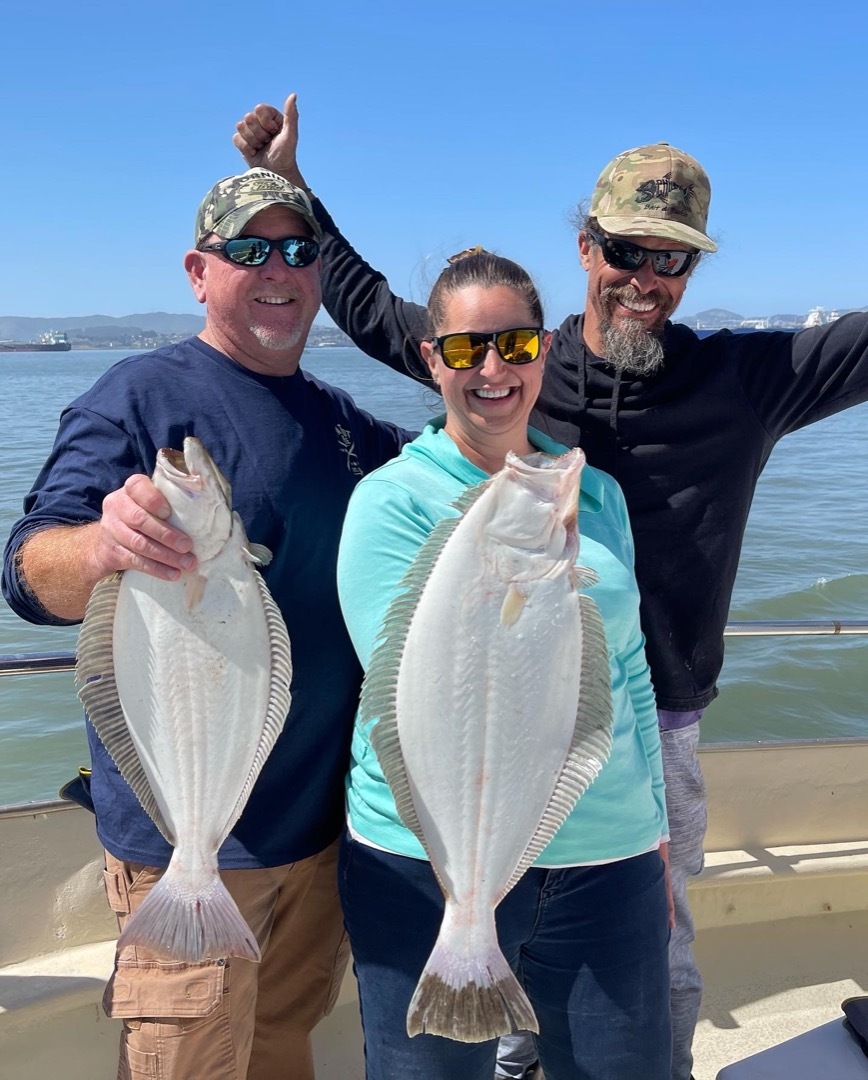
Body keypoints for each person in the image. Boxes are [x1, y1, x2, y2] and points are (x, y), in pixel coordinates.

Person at [233, 95, 868, 1080]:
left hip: (651, 729)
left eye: (673, 259)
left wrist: (649, 819)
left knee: (657, 973)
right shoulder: (511, 358)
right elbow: (364, 304)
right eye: (627, 250)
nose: (646, 279)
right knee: (494, 985)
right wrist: (295, 187)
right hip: (478, 713)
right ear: (586, 248)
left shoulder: (751, 377)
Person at [1, 167, 410, 1080]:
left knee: (279, 1050)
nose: (278, 269)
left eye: (298, 250)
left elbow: (455, 454)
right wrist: (102, 545)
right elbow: (28, 572)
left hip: (322, 837)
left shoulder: (346, 425)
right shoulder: (139, 394)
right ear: (198, 270)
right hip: (188, 848)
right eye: (248, 248)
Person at [336, 246, 672, 1080]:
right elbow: (404, 701)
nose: (492, 369)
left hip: (608, 858)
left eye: (515, 346)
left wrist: (655, 832)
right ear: (431, 361)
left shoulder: (592, 495)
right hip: (429, 865)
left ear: (545, 349)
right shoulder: (390, 501)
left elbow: (629, 675)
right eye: (465, 350)